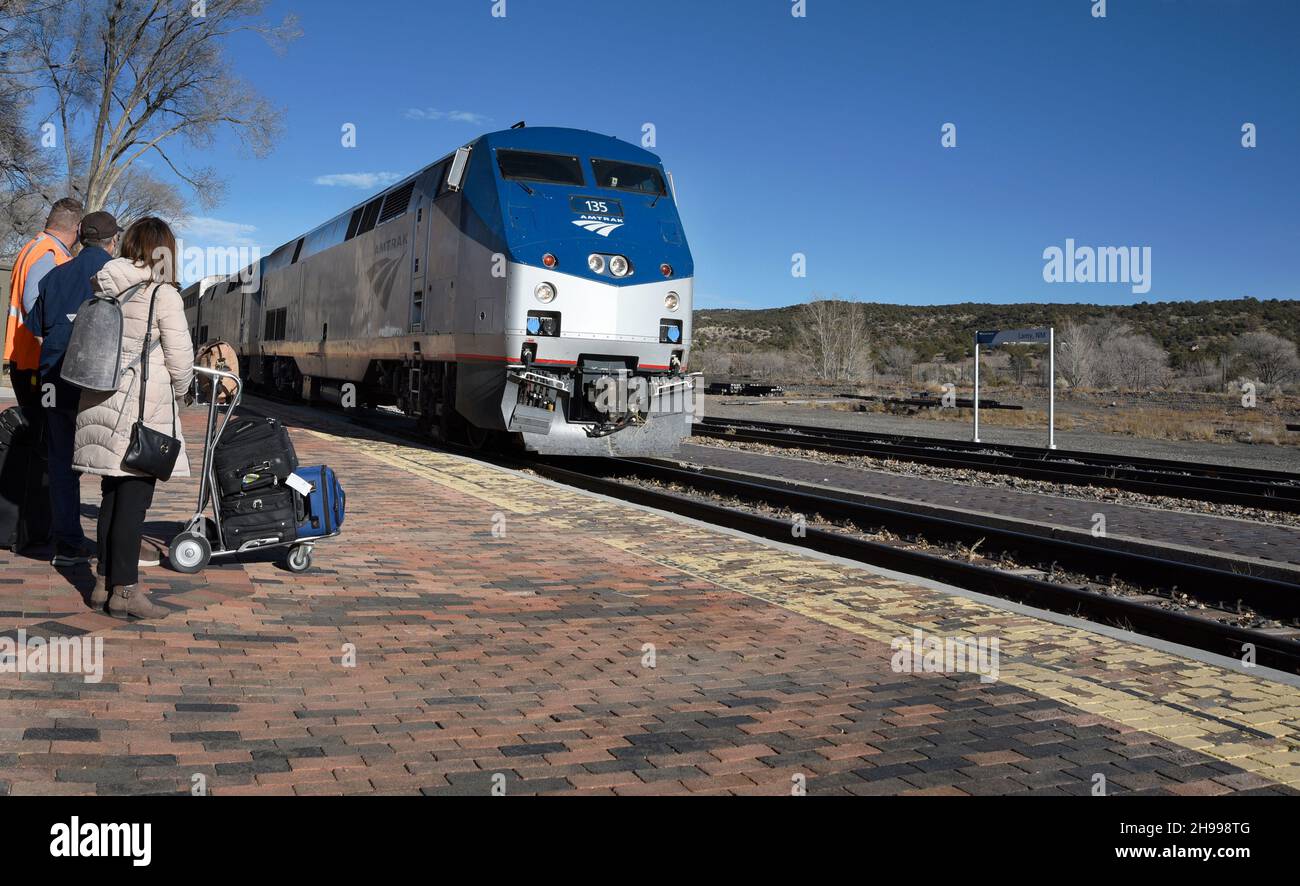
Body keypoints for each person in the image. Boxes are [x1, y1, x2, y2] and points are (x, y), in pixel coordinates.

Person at [73, 217, 193, 619]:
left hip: (101, 403)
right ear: (164, 251)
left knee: (112, 496)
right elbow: (180, 361)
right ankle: (125, 592)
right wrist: (178, 396)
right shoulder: (163, 294)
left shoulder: (106, 283)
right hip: (141, 411)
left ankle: (103, 582)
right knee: (133, 504)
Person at [28, 211, 123, 567]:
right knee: (111, 464)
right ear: (114, 241)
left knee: (60, 462)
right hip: (102, 385)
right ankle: (113, 545)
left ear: (80, 236)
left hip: (55, 380)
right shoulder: (120, 280)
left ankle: (67, 544)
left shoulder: (54, 276)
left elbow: (38, 331)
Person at [4, 198, 83, 418]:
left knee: (36, 434)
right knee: (44, 434)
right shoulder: (49, 253)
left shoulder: (35, 246)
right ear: (77, 228)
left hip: (26, 356)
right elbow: (33, 301)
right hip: (36, 360)